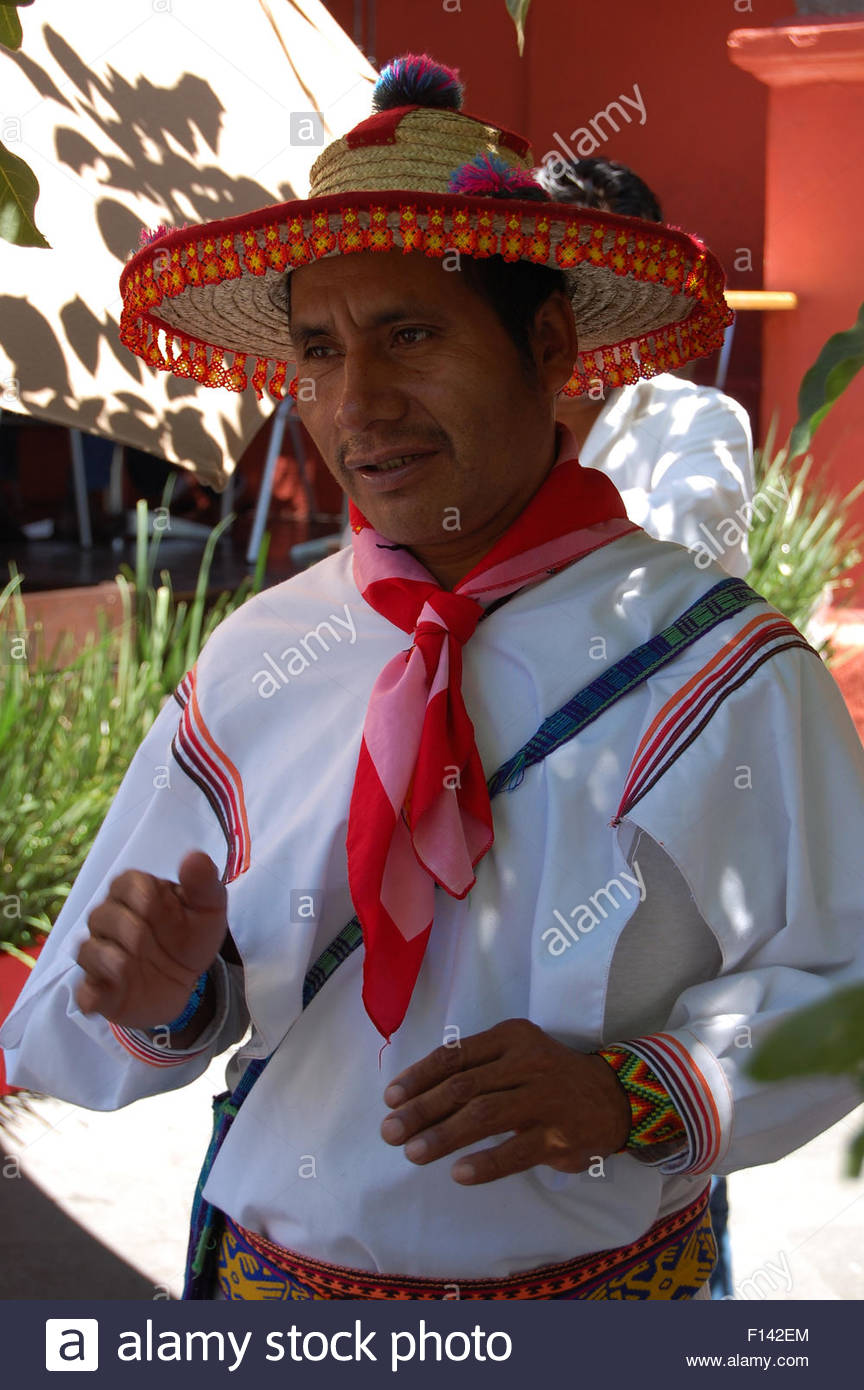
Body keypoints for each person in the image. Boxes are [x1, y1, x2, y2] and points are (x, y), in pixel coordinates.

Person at [3, 55, 863, 1303]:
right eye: (319, 349)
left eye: (412, 332)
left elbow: (842, 981)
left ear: (551, 345)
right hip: (275, 1300)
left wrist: (638, 1088)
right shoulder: (262, 659)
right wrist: (167, 993)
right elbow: (154, 1013)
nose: (360, 401)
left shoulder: (721, 669)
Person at [538, 155, 747, 1294]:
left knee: (662, 1082)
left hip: (650, 812)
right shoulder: (488, 432)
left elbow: (673, 585)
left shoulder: (693, 424)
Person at [537, 156, 754, 579]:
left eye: (606, 292)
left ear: (644, 305)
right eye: (558, 283)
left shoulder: (701, 420)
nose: (575, 320)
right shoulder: (480, 418)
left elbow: (678, 566)